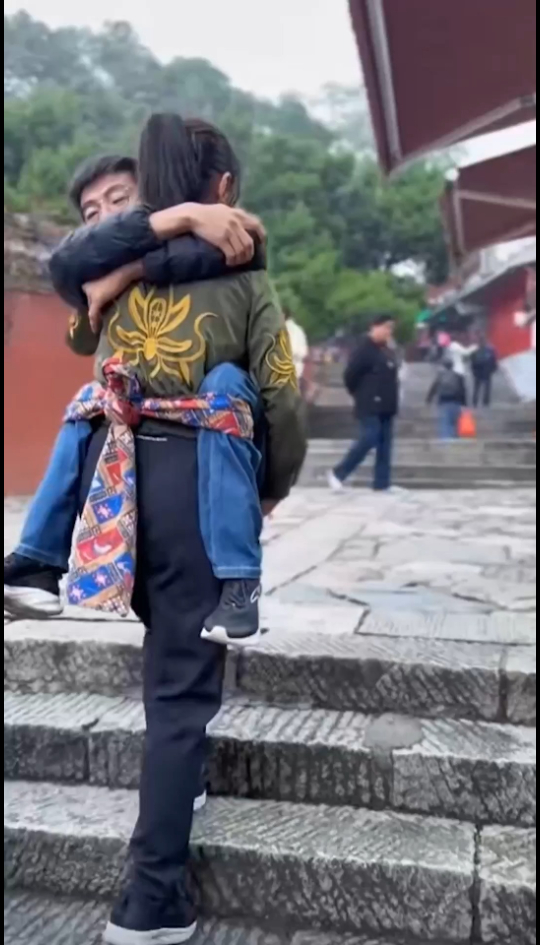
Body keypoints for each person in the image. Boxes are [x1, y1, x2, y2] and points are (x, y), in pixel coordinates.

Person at [47, 113, 305, 945]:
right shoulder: (246, 285)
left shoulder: (111, 278)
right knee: (180, 689)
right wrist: (269, 486)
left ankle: (179, 775)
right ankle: (151, 899)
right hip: (198, 481)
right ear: (222, 187)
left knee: (167, 646)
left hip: (117, 483)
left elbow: (76, 307)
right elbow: (281, 398)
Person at [3, 153, 277, 642]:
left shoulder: (208, 241)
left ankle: (240, 580)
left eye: (119, 200)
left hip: (212, 404)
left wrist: (134, 264)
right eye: (92, 212)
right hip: (138, 407)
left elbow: (234, 247)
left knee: (226, 383)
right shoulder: (87, 269)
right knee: (87, 398)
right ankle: (37, 562)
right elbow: (73, 306)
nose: (106, 217)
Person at [328, 314, 399, 492]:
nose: (388, 332)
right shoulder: (364, 349)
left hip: (387, 403)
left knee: (385, 443)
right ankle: (338, 473)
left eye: (391, 328)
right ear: (374, 327)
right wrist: (360, 394)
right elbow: (350, 375)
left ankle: (382, 483)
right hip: (369, 403)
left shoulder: (387, 350)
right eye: (386, 327)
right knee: (369, 437)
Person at [427, 354, 467, 440]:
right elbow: (463, 390)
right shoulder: (458, 376)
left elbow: (434, 387)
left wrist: (429, 399)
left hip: (443, 400)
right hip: (456, 401)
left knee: (445, 421)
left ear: (444, 366)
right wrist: (464, 403)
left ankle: (445, 437)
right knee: (455, 420)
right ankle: (454, 436)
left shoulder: (440, 376)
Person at [471, 337, 498, 407]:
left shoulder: (475, 350)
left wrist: (473, 371)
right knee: (487, 387)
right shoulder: (490, 350)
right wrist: (493, 369)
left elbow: (472, 361)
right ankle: (485, 401)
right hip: (486, 371)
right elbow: (493, 360)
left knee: (477, 387)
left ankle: (475, 401)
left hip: (478, 371)